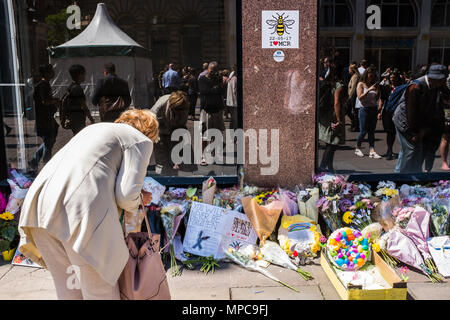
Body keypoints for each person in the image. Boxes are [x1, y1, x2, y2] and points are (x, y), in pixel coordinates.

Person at [19, 109, 159, 300]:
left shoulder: (96, 129)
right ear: (150, 131)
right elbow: (126, 196)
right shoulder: (140, 139)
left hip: (39, 207)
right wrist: (140, 199)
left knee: (69, 289)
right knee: (100, 292)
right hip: (78, 212)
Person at [394, 64, 450, 173]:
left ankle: (415, 176)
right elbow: (411, 112)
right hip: (405, 121)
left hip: (419, 121)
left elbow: (431, 108)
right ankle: (398, 177)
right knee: (409, 150)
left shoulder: (436, 85)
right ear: (433, 78)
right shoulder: (415, 87)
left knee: (418, 151)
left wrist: (423, 129)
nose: (443, 83)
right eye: (442, 80)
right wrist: (415, 132)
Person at [29, 64, 60, 171]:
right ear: (46, 73)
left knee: (49, 141)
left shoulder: (45, 85)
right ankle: (46, 166)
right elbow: (44, 101)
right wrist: (55, 101)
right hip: (44, 119)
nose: (53, 73)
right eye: (51, 71)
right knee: (48, 143)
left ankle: (34, 160)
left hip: (47, 118)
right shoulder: (42, 86)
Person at [151, 91, 189, 173]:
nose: (179, 112)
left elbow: (182, 128)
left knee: (174, 160)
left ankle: (173, 177)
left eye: (181, 110)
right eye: (177, 109)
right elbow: (150, 125)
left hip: (174, 130)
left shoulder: (183, 106)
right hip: (159, 130)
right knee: (161, 160)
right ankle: (161, 175)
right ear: (172, 106)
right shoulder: (157, 109)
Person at [318, 65, 347, 172]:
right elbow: (337, 102)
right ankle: (322, 167)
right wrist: (339, 120)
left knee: (330, 142)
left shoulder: (327, 84)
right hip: (334, 115)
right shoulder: (338, 85)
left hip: (325, 115)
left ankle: (329, 167)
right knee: (333, 143)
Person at [198, 61, 225, 166]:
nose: (213, 73)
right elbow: (204, 91)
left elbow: (221, 91)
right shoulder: (202, 79)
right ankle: (204, 156)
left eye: (215, 71)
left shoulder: (218, 79)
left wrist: (214, 89)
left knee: (217, 135)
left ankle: (215, 155)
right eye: (212, 70)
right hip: (207, 111)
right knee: (205, 136)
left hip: (217, 111)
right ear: (208, 69)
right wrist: (215, 89)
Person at [355, 66, 382, 159]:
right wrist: (369, 89)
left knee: (372, 131)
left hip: (373, 109)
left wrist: (377, 90)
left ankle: (372, 150)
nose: (372, 78)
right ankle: (358, 148)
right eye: (371, 76)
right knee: (363, 131)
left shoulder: (374, 85)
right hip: (364, 109)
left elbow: (376, 98)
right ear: (366, 75)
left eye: (374, 76)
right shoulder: (360, 84)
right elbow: (360, 97)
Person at [379, 69, 403, 160]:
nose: (392, 79)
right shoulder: (386, 88)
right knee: (390, 132)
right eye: (391, 77)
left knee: (399, 132)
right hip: (387, 113)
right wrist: (379, 111)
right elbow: (382, 100)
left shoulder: (401, 88)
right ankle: (389, 150)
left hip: (398, 112)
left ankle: (403, 151)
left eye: (394, 77)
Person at [67, 64, 95, 136]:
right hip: (78, 119)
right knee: (80, 137)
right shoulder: (77, 89)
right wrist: (91, 119)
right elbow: (84, 106)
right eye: (83, 74)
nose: (84, 76)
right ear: (79, 75)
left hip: (73, 118)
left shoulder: (71, 86)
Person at [347, 62, 360, 132]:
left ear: (352, 69)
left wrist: (349, 97)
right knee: (353, 112)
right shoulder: (354, 76)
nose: (348, 70)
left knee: (352, 111)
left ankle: (356, 126)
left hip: (353, 96)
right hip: (352, 96)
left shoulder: (355, 77)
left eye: (349, 68)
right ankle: (354, 124)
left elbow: (353, 88)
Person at [226, 66, 238, 130]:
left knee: (232, 118)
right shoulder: (235, 79)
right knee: (235, 119)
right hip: (234, 101)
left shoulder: (230, 78)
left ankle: (231, 131)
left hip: (230, 102)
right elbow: (234, 90)